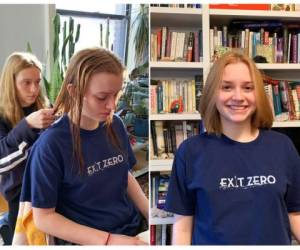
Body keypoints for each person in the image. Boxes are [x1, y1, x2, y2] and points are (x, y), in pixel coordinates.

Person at [164, 51, 300, 245]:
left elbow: (295, 214)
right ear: (212, 93)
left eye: (247, 88)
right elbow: (183, 225)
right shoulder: (190, 152)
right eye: (227, 87)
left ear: (258, 94)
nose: (238, 96)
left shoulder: (283, 146)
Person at [21, 47, 149, 245]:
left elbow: (124, 173)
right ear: (73, 91)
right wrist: (109, 241)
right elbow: (44, 218)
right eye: (102, 97)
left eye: (116, 95)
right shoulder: (51, 145)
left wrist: (149, 212)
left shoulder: (115, 124)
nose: (112, 106)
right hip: (89, 239)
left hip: (130, 228)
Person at [0, 52, 54, 244]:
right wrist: (27, 126)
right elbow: (2, 164)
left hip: (50, 187)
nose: (34, 89)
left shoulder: (44, 106)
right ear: (11, 82)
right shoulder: (2, 115)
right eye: (26, 82)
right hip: (20, 196)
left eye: (38, 82)